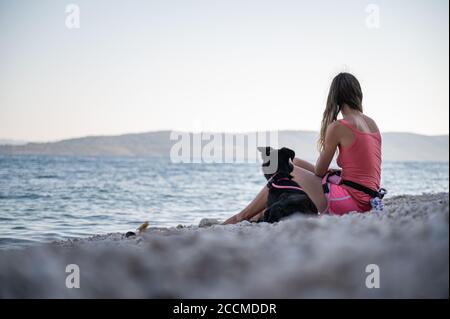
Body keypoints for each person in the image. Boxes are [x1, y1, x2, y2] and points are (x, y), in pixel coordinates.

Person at [223, 72, 382, 224]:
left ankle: (242, 216)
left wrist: (326, 165)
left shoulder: (338, 126)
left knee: (285, 170)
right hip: (369, 200)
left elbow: (319, 171)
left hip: (350, 202)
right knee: (296, 162)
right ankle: (259, 215)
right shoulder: (372, 123)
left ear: (334, 97)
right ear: (358, 94)